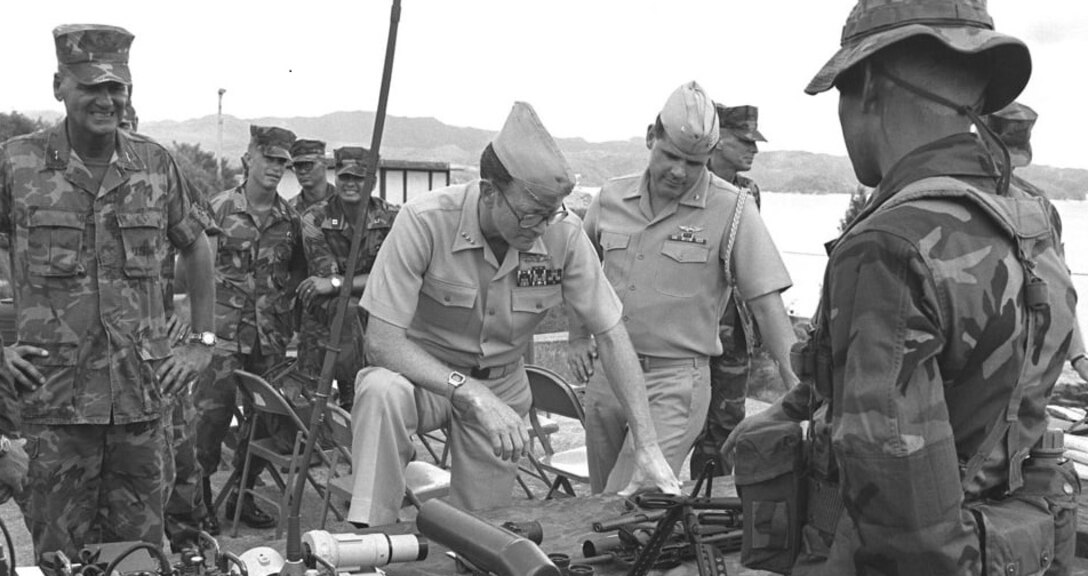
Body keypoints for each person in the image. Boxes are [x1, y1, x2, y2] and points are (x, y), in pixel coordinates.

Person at [723, 1, 1078, 574]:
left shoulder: (889, 246)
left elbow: (905, 527)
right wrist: (789, 409)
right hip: (1020, 541)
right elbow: (981, 376)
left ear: (868, 89)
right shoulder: (1028, 213)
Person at [347, 102, 679, 527]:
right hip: (423, 378)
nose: (542, 226)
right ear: (489, 192)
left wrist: (647, 444)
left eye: (551, 212)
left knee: (482, 537)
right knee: (379, 390)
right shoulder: (424, 221)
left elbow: (612, 334)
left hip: (502, 390)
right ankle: (371, 541)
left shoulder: (563, 234)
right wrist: (468, 391)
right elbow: (382, 342)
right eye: (531, 212)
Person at [0, 24, 214, 559]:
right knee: (60, 556)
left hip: (140, 402)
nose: (107, 99)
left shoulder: (155, 164)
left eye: (117, 87)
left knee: (138, 555)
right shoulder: (16, 164)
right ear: (59, 86)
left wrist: (201, 341)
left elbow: (198, 247)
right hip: (54, 405)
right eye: (91, 86)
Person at [565, 83, 797, 493]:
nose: (678, 172)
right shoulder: (612, 196)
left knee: (630, 498)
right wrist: (578, 334)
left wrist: (796, 383)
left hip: (673, 382)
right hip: (608, 375)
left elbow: (766, 303)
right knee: (598, 502)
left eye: (693, 163)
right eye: (670, 156)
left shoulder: (732, 207)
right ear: (651, 136)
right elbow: (580, 272)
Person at [196, 124, 304, 531]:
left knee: (265, 421)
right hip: (222, 335)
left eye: (283, 162)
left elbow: (296, 275)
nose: (277, 168)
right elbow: (193, 272)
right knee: (210, 419)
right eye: (270, 159)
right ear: (249, 159)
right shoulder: (219, 208)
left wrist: (286, 320)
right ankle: (199, 499)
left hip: (268, 337)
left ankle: (242, 496)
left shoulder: (289, 220)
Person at [690, 103, 774, 478]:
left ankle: (712, 502)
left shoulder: (748, 191)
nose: (753, 149)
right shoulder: (689, 182)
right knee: (681, 420)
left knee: (726, 422)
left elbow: (753, 261)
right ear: (719, 139)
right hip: (692, 323)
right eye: (745, 140)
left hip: (734, 328)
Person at [984, 102, 1088, 384]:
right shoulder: (957, 199)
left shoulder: (1040, 207)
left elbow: (1060, 284)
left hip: (1029, 371)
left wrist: (1078, 355)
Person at [296, 146, 398, 410]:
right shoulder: (315, 217)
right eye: (344, 177)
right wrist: (342, 284)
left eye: (358, 178)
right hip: (322, 327)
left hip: (371, 331)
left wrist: (338, 283)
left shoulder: (393, 219)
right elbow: (323, 282)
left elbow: (393, 278)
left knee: (365, 406)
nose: (350, 184)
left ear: (373, 182)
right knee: (311, 408)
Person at [289, 138, 335, 214]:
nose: (302, 171)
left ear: (325, 164)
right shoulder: (289, 209)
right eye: (298, 166)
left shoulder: (344, 204)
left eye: (308, 165)